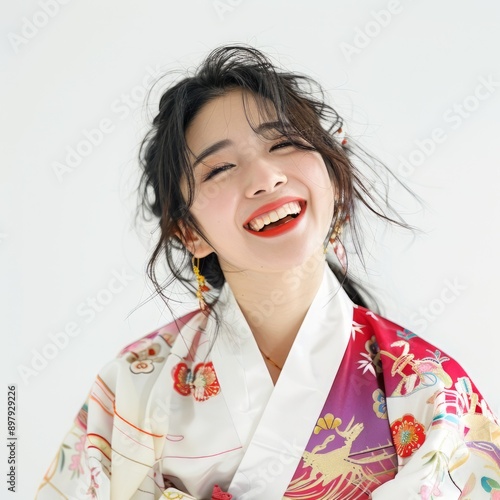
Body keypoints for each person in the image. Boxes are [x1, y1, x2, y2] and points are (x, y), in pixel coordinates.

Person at [36, 45, 500, 500]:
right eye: (219, 168)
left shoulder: (427, 385)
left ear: (334, 177)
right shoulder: (134, 386)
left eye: (283, 143)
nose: (265, 178)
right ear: (189, 232)